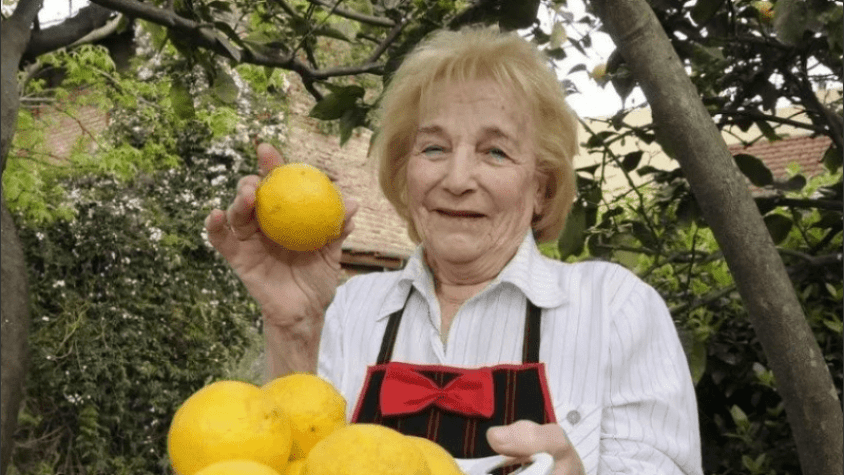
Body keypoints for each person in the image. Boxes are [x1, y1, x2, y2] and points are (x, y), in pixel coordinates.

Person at [205, 27, 703, 475]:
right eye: (434, 148)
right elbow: (291, 457)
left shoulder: (614, 309)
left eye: (495, 151)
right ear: (405, 173)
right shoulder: (351, 309)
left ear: (540, 188)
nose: (458, 179)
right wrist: (293, 327)